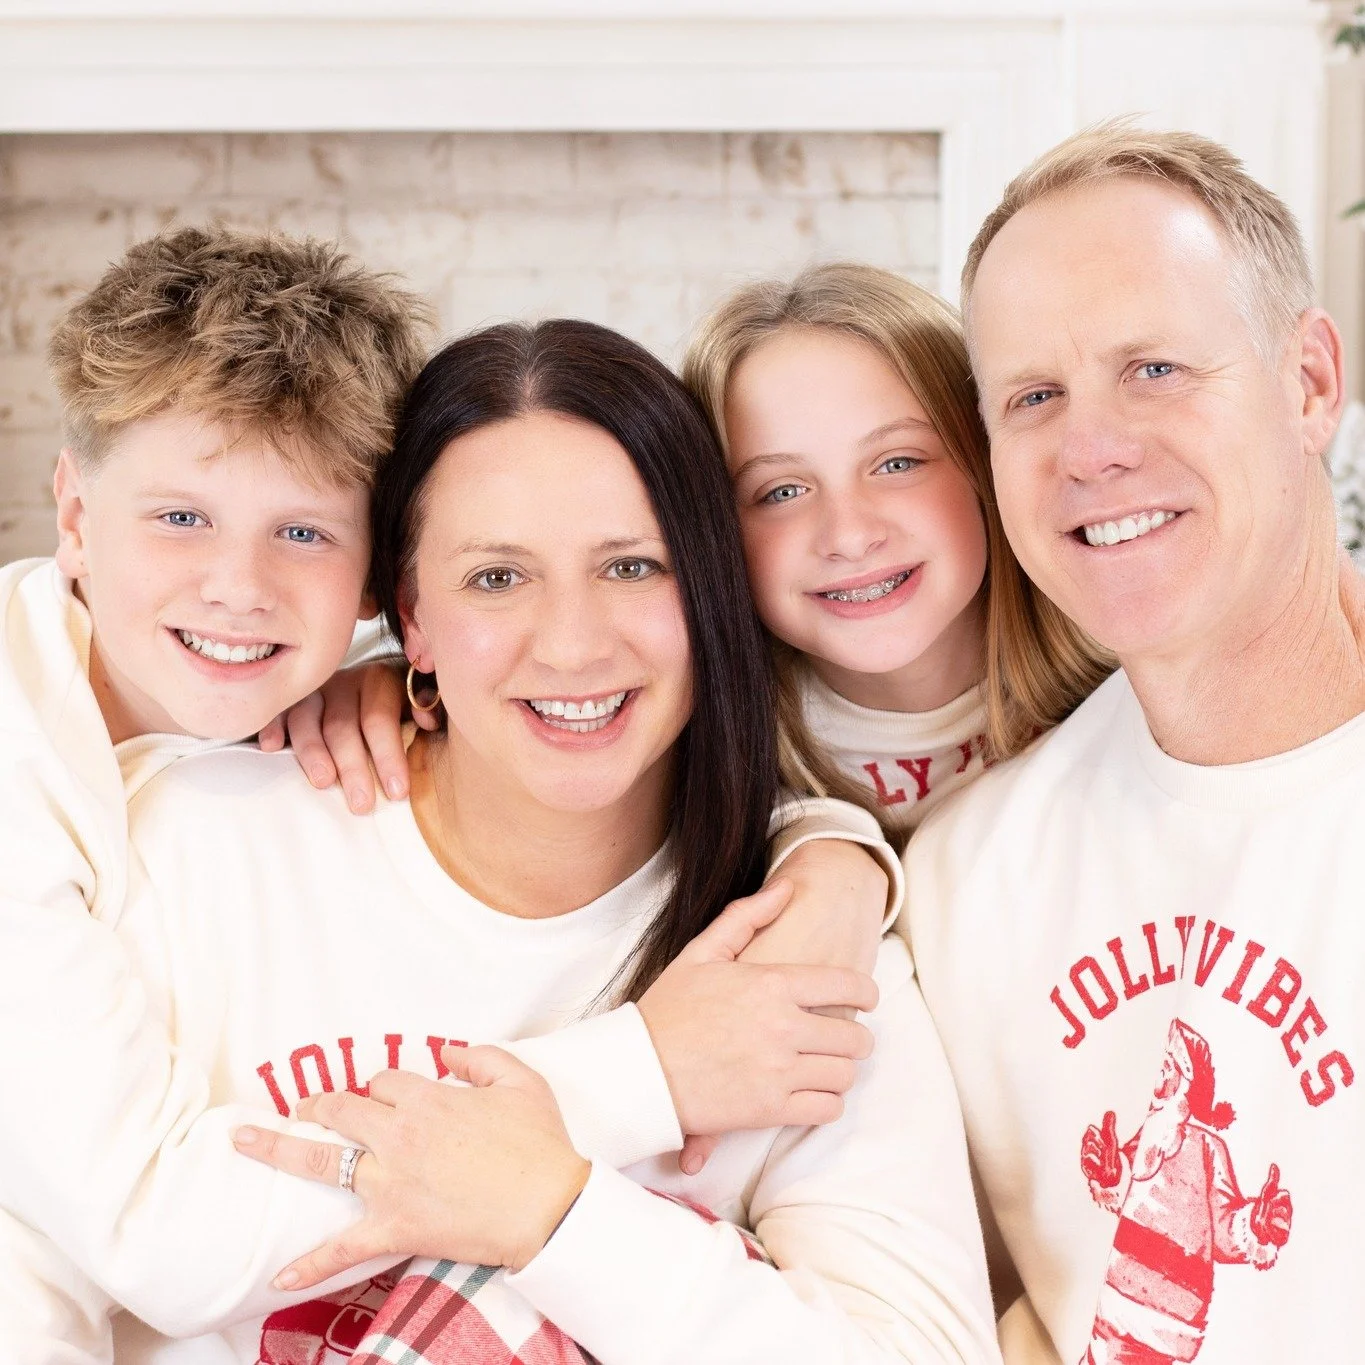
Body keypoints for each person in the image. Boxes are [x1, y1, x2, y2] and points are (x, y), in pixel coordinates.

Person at [0, 234, 885, 1357]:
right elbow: (151, 1238)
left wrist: (832, 840)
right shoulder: (44, 806)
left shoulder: (283, 705)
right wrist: (644, 1071)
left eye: (304, 533)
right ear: (73, 518)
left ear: (377, 584)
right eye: (180, 518)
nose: (239, 588)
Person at [136, 319, 1000, 1363]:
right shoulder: (199, 842)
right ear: (409, 615)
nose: (576, 643)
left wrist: (554, 1215)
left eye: (633, 567)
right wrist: (638, 1080)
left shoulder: (798, 960)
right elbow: (88, 1260)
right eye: (497, 578)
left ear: (712, 594)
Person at [901, 123, 1365, 1362]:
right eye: (1033, 398)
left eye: (1153, 368)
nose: (1090, 449)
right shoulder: (959, 886)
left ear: (1310, 383)